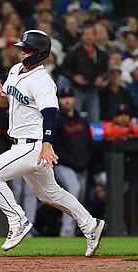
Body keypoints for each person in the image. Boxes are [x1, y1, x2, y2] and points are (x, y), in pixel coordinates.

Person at [0, 30, 106, 257]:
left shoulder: (42, 80)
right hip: (20, 144)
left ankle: (18, 220)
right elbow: (8, 103)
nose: (22, 52)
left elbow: (50, 114)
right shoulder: (16, 70)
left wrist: (47, 144)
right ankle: (91, 224)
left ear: (40, 54)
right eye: (22, 48)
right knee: (50, 194)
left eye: (27, 49)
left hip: (32, 146)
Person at [53, 87, 93, 237]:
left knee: (79, 197)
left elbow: (89, 144)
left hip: (82, 165)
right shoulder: (57, 119)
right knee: (74, 190)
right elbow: (57, 146)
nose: (67, 100)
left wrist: (85, 162)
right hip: (64, 164)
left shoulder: (83, 121)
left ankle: (79, 228)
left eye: (69, 96)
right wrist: (73, 162)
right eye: (63, 97)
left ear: (74, 99)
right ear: (59, 100)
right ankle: (66, 230)